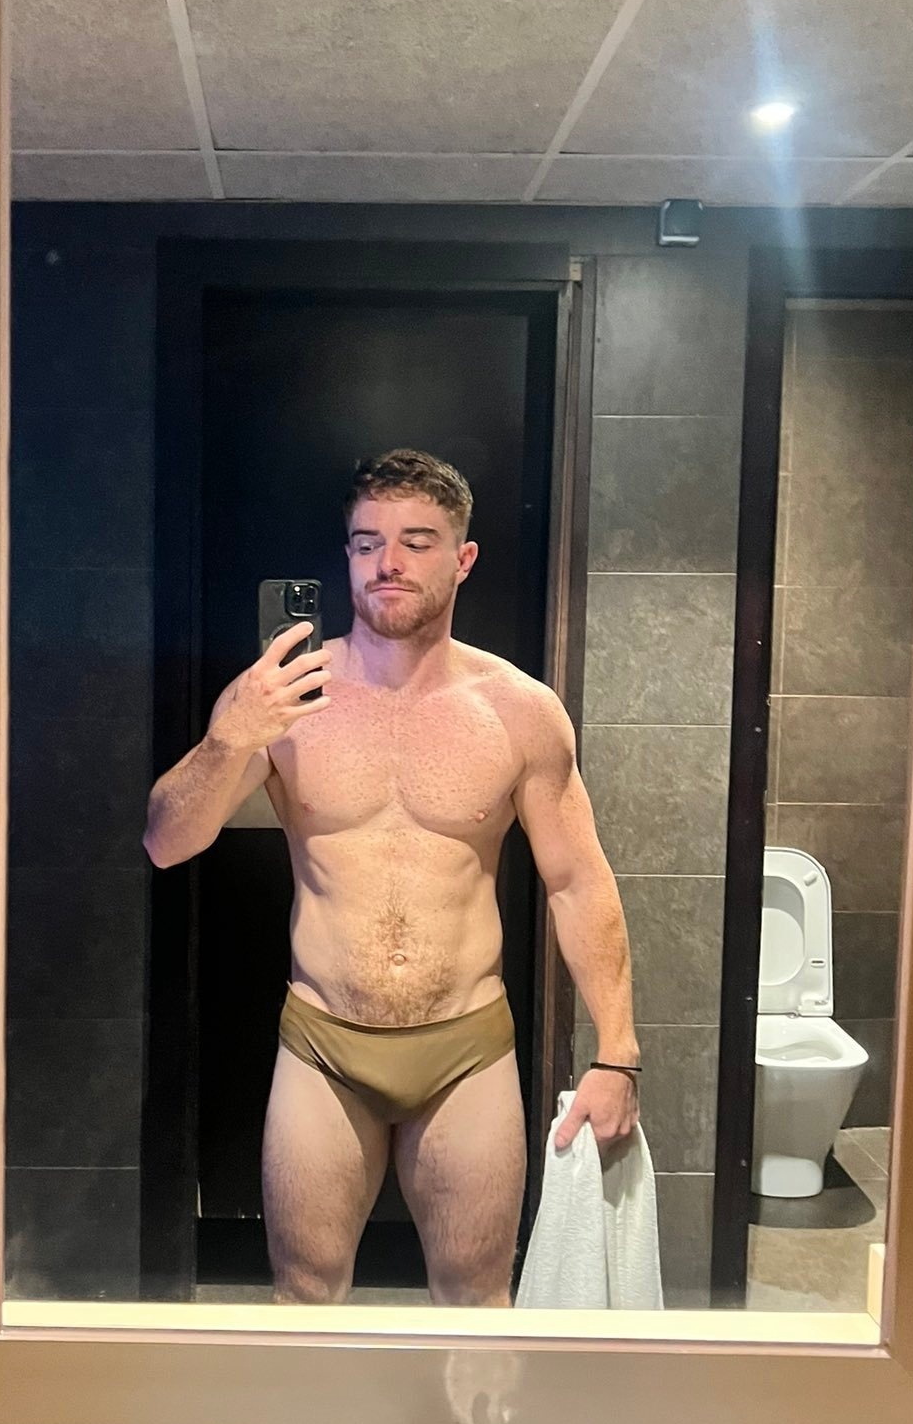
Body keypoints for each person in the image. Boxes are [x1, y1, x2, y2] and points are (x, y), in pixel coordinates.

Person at [143, 448, 641, 1307]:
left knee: (477, 1299)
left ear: (463, 557)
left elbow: (577, 882)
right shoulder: (281, 700)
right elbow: (165, 843)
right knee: (304, 1295)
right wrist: (230, 737)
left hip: (466, 1049)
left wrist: (618, 1054)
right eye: (368, 543)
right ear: (347, 556)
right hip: (323, 1044)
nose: (389, 563)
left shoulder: (518, 710)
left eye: (417, 541)